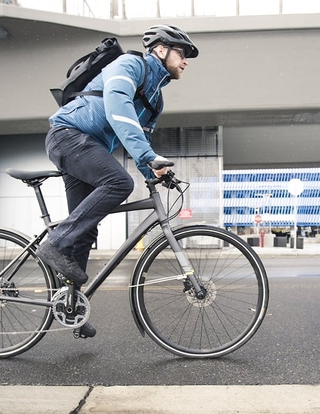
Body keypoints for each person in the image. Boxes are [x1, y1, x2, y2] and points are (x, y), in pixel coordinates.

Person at [36, 25, 199, 338]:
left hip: (87, 146)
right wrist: (148, 156)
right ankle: (53, 244)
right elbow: (117, 108)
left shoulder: (156, 100)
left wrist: (154, 171)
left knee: (84, 231)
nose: (187, 60)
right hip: (68, 136)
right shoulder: (129, 65)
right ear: (161, 50)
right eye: (182, 52)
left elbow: (140, 143)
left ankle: (72, 308)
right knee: (119, 184)